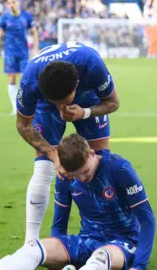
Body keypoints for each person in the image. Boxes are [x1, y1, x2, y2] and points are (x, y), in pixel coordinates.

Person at [0, 134, 156, 270]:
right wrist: (58, 256)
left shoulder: (119, 169)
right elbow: (59, 224)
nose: (82, 179)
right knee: (35, 248)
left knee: (101, 257)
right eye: (75, 175)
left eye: (85, 172)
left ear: (92, 154)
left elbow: (147, 219)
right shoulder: (66, 178)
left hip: (123, 242)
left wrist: (139, 266)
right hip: (88, 238)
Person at [16, 42, 120, 243]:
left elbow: (113, 103)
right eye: (57, 103)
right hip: (46, 105)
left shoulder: (91, 64)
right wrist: (52, 153)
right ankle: (30, 243)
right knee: (44, 168)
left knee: (98, 164)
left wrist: (85, 112)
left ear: (76, 84)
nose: (61, 107)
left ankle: (105, 232)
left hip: (88, 101)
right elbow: (22, 125)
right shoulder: (30, 79)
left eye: (65, 101)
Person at [0, 0, 39, 115]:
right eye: (9, 2)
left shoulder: (26, 16)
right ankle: (15, 107)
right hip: (10, 53)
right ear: (7, 5)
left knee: (25, 79)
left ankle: (27, 105)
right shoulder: (4, 18)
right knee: (11, 78)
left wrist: (36, 49)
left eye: (13, 1)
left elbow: (34, 32)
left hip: (23, 53)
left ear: (18, 2)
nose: (11, 4)